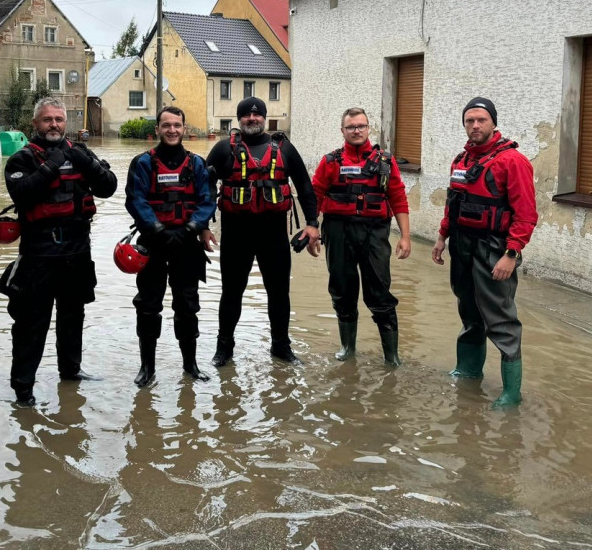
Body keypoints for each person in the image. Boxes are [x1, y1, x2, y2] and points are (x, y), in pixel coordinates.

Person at [0, 97, 117, 406]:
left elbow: (109, 187)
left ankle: (71, 372)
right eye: (47, 119)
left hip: (77, 252)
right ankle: (23, 391)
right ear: (35, 124)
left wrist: (86, 162)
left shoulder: (81, 153)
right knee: (30, 324)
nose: (54, 124)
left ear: (67, 123)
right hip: (38, 254)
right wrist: (54, 162)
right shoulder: (21, 160)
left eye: (59, 119)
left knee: (72, 316)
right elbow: (23, 193)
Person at [431, 97, 537, 408]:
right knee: (469, 310)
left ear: (493, 122)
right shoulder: (461, 160)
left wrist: (511, 253)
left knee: (501, 319)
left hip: (494, 247)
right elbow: (453, 204)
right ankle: (468, 371)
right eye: (469, 121)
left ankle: (511, 393)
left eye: (481, 120)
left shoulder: (513, 161)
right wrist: (441, 237)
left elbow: (527, 214)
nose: (475, 125)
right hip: (461, 244)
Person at [206, 97, 321, 365]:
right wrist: (202, 225)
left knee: (279, 292)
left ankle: (281, 346)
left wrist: (313, 223)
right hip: (236, 235)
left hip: (274, 235)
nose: (252, 119)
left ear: (265, 118)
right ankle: (224, 349)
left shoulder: (285, 149)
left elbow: (305, 186)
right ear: (239, 120)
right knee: (231, 292)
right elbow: (203, 187)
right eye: (246, 115)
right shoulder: (223, 149)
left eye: (257, 115)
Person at [125, 106, 217, 387]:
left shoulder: (197, 164)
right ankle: (147, 368)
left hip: (187, 244)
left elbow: (207, 199)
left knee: (187, 306)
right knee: (148, 306)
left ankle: (190, 366)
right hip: (153, 243)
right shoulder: (142, 163)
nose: (172, 130)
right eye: (166, 125)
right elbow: (135, 200)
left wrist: (191, 228)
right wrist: (156, 230)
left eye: (177, 125)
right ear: (158, 129)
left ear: (184, 128)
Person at [312, 107, 411, 366]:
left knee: (380, 293)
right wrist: (312, 228)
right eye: (351, 127)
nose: (356, 130)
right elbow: (316, 195)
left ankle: (392, 356)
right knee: (342, 291)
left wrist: (405, 236)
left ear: (369, 129)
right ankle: (348, 349)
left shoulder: (386, 163)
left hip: (375, 233)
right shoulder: (330, 161)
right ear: (342, 131)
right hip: (337, 232)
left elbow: (398, 197)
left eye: (361, 126)